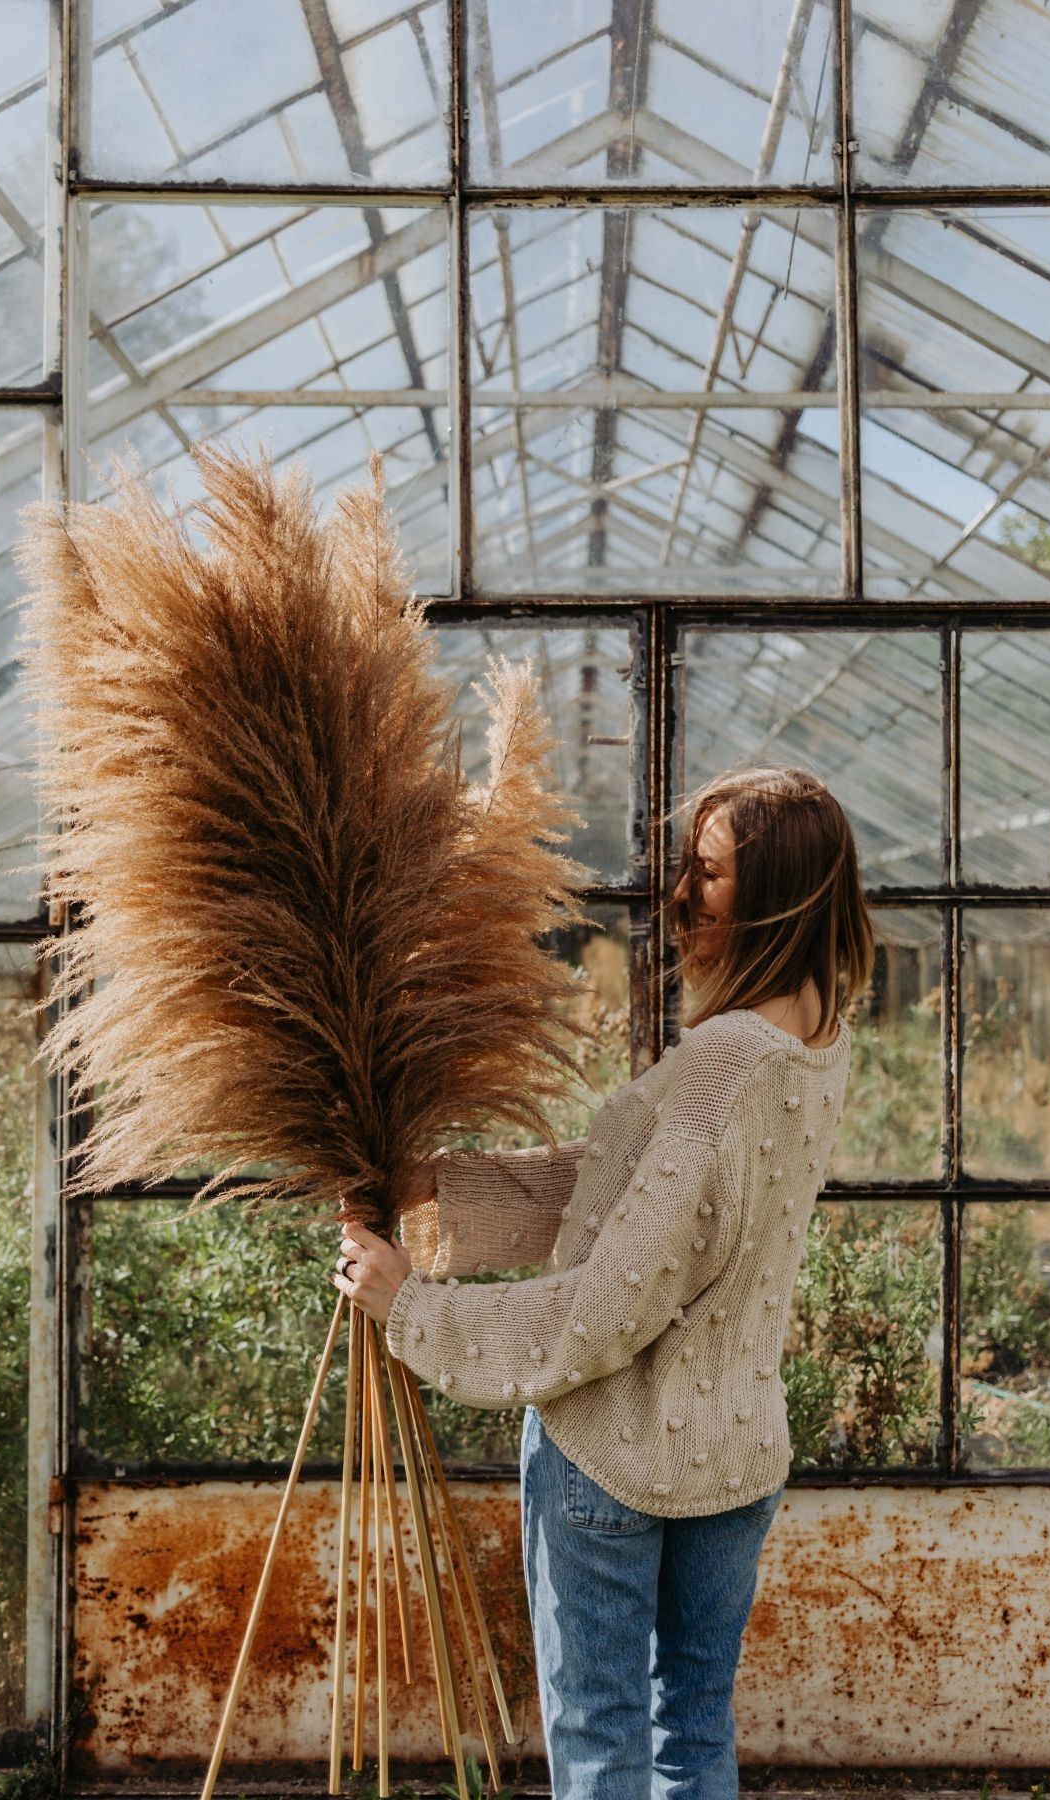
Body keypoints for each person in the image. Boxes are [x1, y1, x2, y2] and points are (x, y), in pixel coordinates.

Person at [332, 764, 875, 1799]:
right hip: (737, 1457)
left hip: (612, 1455)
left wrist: (412, 1309)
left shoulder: (726, 1061)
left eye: (709, 875)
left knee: (601, 1742)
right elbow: (631, 1192)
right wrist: (439, 1187)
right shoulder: (817, 1035)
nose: (680, 895)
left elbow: (601, 1310)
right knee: (692, 1735)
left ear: (781, 891)